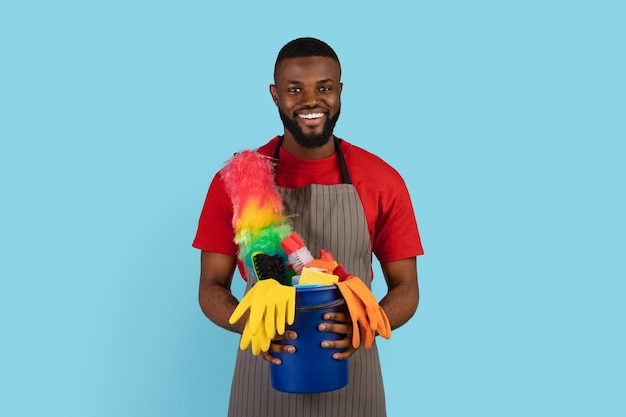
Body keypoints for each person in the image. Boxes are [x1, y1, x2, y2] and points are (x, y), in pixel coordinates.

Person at [193, 37, 424, 417]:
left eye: (325, 88)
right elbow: (210, 287)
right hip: (264, 377)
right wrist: (253, 323)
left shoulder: (382, 179)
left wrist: (365, 322)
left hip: (354, 376)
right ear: (275, 95)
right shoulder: (235, 183)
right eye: (295, 89)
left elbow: (407, 287)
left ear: (340, 92)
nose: (311, 100)